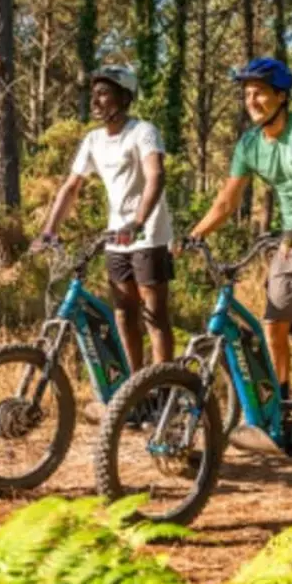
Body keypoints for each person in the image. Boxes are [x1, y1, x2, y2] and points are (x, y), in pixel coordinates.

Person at [183, 57, 292, 454]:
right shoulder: (249, 145)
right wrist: (193, 236)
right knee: (273, 326)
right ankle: (280, 410)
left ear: (281, 95)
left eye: (259, 92)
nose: (252, 100)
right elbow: (227, 201)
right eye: (246, 94)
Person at [33, 64, 175, 416]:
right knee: (124, 315)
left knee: (154, 314)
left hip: (149, 232)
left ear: (124, 98)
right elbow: (71, 187)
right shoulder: (93, 140)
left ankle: (165, 391)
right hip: (116, 236)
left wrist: (139, 221)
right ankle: (135, 390)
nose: (95, 100)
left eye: (104, 93)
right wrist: (49, 231)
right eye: (93, 94)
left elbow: (155, 175)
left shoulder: (143, 132)